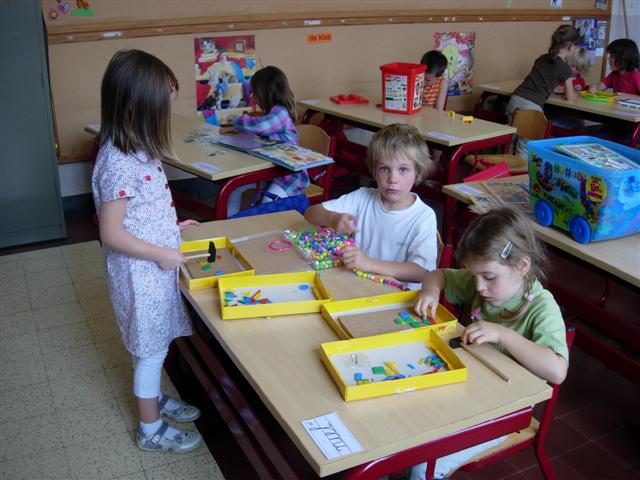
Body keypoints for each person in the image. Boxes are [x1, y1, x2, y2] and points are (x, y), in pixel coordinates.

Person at [92, 49, 203, 454]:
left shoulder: (136, 147)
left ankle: (151, 397)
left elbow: (140, 212)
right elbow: (111, 232)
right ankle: (150, 428)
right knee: (151, 352)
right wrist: (160, 252)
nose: (165, 116)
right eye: (162, 108)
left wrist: (170, 229)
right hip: (140, 276)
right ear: (135, 107)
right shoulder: (119, 161)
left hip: (150, 269)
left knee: (151, 345)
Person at [410, 207, 569, 479]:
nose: (479, 287)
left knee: (423, 465)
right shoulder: (483, 281)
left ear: (522, 266)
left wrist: (503, 334)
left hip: (504, 413)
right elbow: (438, 275)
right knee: (403, 425)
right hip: (468, 392)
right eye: (474, 277)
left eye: (489, 277)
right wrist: (430, 292)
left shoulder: (542, 308)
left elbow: (557, 371)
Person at [304, 124, 438, 288]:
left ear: (418, 172)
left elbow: (421, 272)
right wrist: (332, 218)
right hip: (359, 285)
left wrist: (369, 263)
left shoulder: (423, 216)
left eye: (403, 169)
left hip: (398, 295)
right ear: (374, 170)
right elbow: (310, 214)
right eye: (385, 169)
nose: (392, 179)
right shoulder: (362, 197)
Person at [230, 65, 307, 201]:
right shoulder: (271, 113)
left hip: (289, 176)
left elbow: (261, 126)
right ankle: (236, 217)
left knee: (269, 200)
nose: (253, 98)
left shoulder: (280, 112)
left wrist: (236, 121)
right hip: (272, 171)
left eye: (254, 92)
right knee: (234, 190)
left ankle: (268, 215)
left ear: (265, 93)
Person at [507, 25, 581, 158]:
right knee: (524, 147)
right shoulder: (565, 68)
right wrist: (576, 94)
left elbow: (542, 82)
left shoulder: (541, 58)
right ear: (571, 46)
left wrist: (558, 90)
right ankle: (521, 171)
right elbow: (569, 97)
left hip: (515, 99)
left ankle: (504, 169)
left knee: (511, 142)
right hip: (531, 107)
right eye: (576, 46)